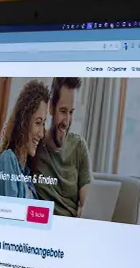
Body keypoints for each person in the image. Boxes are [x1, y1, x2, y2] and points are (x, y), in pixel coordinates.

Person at [33, 76, 94, 218]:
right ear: (51, 108)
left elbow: (88, 202)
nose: (67, 121)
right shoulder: (35, 144)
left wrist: (84, 211)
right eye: (63, 111)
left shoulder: (79, 146)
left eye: (71, 112)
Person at [0, 80, 52, 200]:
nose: (41, 134)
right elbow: (10, 213)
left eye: (43, 123)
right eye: (38, 122)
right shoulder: (8, 160)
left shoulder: (26, 172)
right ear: (24, 122)